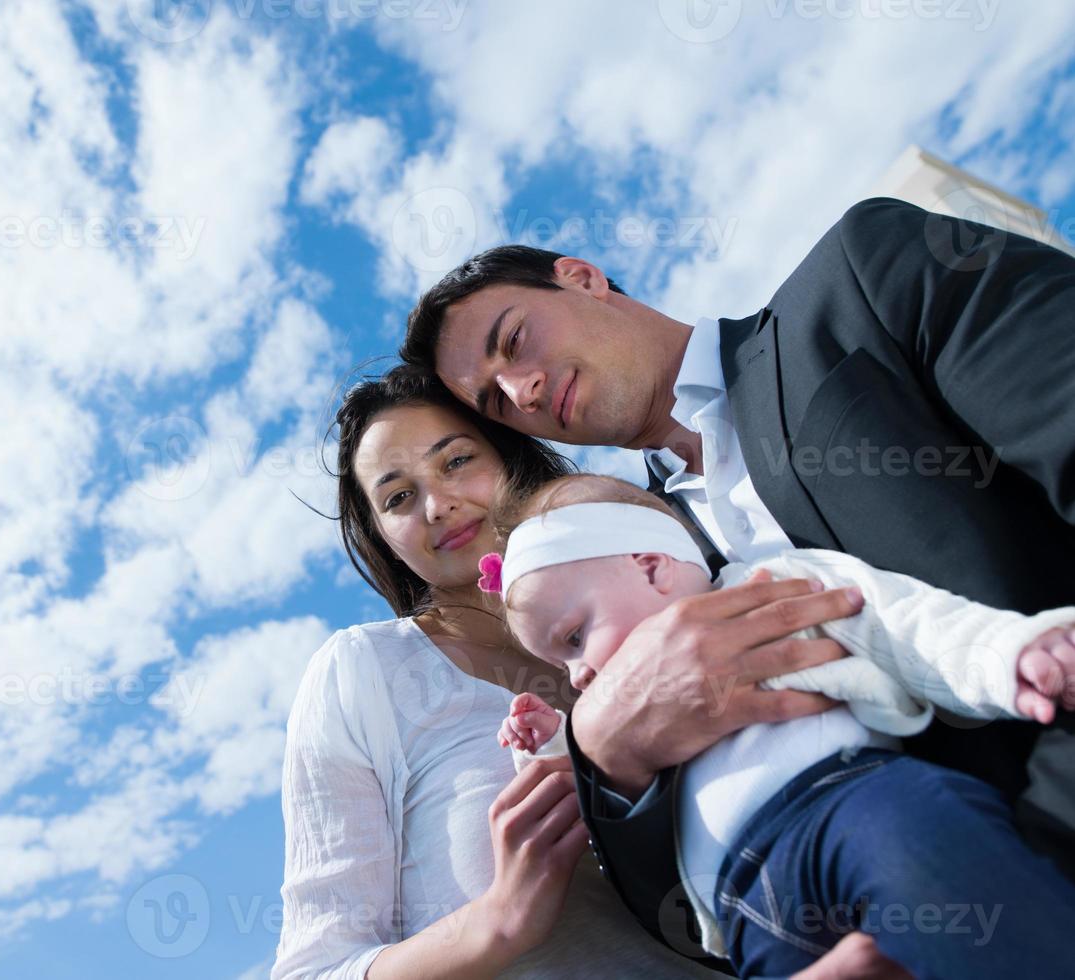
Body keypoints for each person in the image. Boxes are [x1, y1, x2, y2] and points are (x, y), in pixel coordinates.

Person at [397, 197, 1075, 948]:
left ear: (582, 278)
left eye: (514, 342)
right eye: (496, 401)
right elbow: (673, 894)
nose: (521, 391)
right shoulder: (619, 568)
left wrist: (1001, 887)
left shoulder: (859, 279)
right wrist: (608, 754)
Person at [272, 366, 901, 978]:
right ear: (383, 538)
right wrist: (501, 918)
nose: (437, 504)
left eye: (457, 459)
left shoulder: (653, 596)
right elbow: (314, 970)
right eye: (398, 497)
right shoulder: (365, 671)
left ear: (513, 458)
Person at [485, 472, 1075, 977]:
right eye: (561, 663)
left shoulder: (768, 587)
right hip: (742, 912)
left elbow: (906, 622)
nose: (580, 673)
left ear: (651, 567)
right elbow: (592, 789)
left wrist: (1012, 654)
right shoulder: (617, 716)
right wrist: (545, 745)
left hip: (848, 806)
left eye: (575, 638)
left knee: (955, 883)